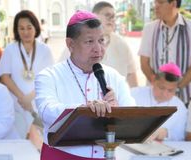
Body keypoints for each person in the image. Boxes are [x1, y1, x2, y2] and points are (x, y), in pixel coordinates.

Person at [35, 10, 135, 159]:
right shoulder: (49, 76)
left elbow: (134, 116)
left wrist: (117, 111)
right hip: (61, 155)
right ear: (70, 44)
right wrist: (82, 111)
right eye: (89, 41)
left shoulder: (114, 77)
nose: (98, 49)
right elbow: (46, 111)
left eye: (101, 40)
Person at [0, 10, 54, 149]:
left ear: (36, 27)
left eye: (29, 27)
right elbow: (5, 76)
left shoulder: (45, 50)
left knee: (39, 145)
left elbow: (49, 78)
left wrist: (30, 97)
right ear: (16, 30)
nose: (26, 32)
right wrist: (22, 98)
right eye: (21, 28)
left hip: (38, 105)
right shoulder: (10, 49)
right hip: (16, 105)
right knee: (19, 144)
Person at [138, 0, 191, 105]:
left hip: (183, 97)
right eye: (155, 3)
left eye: (160, 2)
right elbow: (144, 63)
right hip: (155, 98)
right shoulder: (149, 28)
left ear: (173, 4)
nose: (156, 6)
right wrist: (159, 85)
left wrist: (175, 88)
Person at [58, 2, 138, 87]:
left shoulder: (122, 44)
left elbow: (131, 75)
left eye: (114, 17)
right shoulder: (77, 45)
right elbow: (61, 76)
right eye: (108, 15)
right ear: (94, 15)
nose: (112, 19)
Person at [131, 63, 187, 141]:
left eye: (170, 90)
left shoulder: (180, 107)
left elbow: (181, 136)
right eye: (161, 88)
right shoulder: (134, 94)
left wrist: (166, 133)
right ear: (153, 80)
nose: (165, 94)